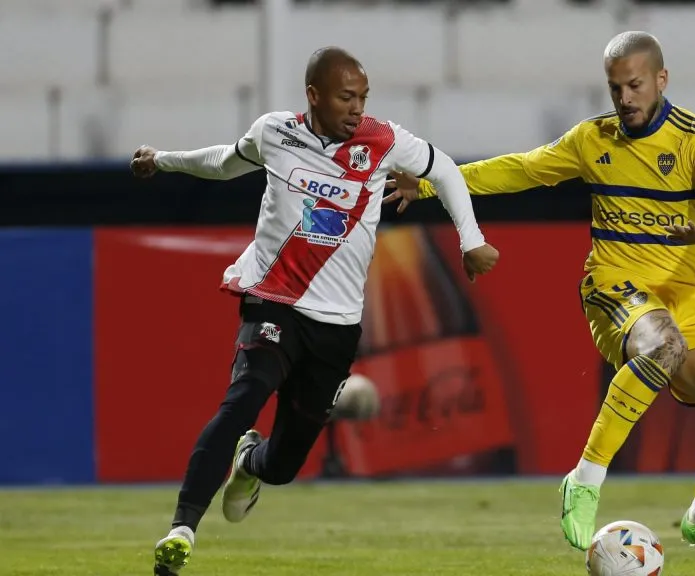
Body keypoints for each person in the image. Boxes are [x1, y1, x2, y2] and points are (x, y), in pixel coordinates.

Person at [385, 31, 695, 576]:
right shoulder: (593, 139)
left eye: (635, 85)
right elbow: (519, 168)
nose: (625, 98)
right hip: (615, 286)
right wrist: (429, 184)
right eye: (615, 88)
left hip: (691, 293)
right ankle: (584, 481)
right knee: (663, 346)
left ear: (661, 80)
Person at [130, 46, 499, 576]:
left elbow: (445, 171)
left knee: (283, 464)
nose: (357, 108)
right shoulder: (275, 133)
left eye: (363, 97)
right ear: (314, 95)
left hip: (336, 326)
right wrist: (163, 159)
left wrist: (471, 240)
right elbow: (224, 163)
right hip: (274, 300)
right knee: (241, 401)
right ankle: (181, 530)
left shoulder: (383, 140)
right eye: (347, 97)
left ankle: (249, 462)